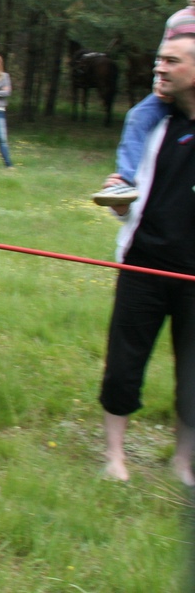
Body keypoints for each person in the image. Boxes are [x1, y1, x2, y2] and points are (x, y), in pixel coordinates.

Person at [96, 33, 195, 485]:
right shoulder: (152, 122)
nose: (160, 68)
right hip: (144, 265)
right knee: (123, 364)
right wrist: (120, 200)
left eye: (171, 61)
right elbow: (131, 198)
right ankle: (114, 456)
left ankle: (182, 461)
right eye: (158, 59)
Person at [97, 0, 195, 206]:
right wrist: (159, 84)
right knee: (138, 116)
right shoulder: (178, 21)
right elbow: (165, 55)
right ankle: (125, 181)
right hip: (174, 90)